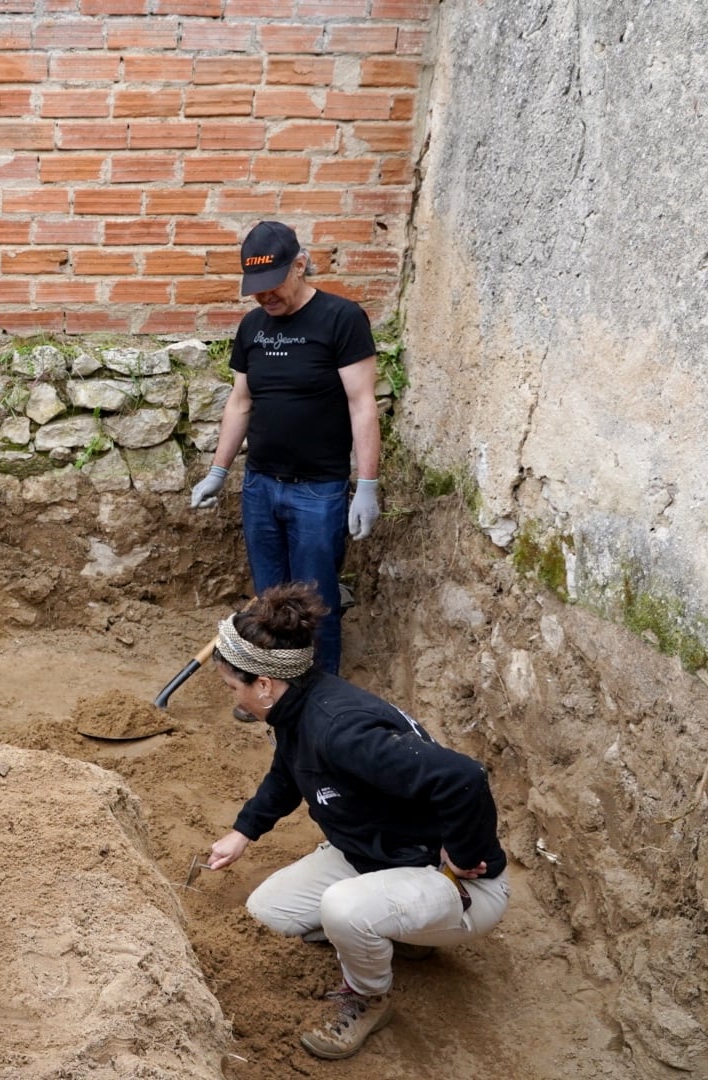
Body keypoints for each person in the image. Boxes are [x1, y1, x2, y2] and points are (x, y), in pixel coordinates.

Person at [196, 582, 509, 1060]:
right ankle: (397, 933)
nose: (233, 701)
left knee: (344, 909)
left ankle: (369, 996)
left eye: (232, 688)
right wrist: (243, 833)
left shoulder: (341, 731)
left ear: (263, 684)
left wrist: (468, 856)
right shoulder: (297, 709)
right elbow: (287, 772)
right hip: (373, 855)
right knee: (268, 915)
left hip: (447, 878)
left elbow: (464, 778)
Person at [189, 220, 381, 681]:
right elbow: (241, 402)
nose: (264, 297)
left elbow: (362, 405)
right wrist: (219, 471)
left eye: (272, 286)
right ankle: (271, 685)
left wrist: (368, 487)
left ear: (299, 265)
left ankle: (319, 692)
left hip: (318, 491)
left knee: (316, 601)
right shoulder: (252, 326)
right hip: (260, 485)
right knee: (269, 597)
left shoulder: (341, 318)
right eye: (255, 289)